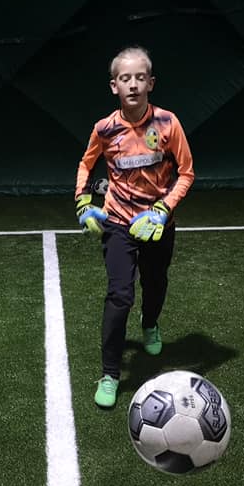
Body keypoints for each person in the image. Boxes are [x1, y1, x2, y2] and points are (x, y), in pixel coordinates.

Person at [74, 46, 195, 409]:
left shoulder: (168, 123)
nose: (133, 84)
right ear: (114, 86)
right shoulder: (104, 129)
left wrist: (163, 209)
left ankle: (150, 323)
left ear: (150, 83)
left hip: (158, 224)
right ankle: (110, 374)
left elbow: (187, 173)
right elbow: (86, 165)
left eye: (140, 78)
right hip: (118, 222)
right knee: (120, 295)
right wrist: (83, 202)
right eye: (125, 78)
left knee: (155, 283)